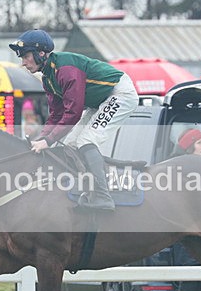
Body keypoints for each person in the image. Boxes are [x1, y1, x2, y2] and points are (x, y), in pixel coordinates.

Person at [9, 29, 138, 211]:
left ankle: (103, 196)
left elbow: (73, 113)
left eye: (26, 56)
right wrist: (41, 139)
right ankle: (87, 190)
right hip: (99, 101)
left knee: (86, 140)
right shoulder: (48, 78)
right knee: (70, 143)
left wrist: (48, 140)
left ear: (41, 53)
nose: (23, 63)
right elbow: (56, 115)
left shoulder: (66, 70)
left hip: (120, 94)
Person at [173, 128, 201, 291]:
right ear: (189, 147)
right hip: (186, 233)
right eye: (200, 143)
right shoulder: (181, 170)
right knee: (188, 280)